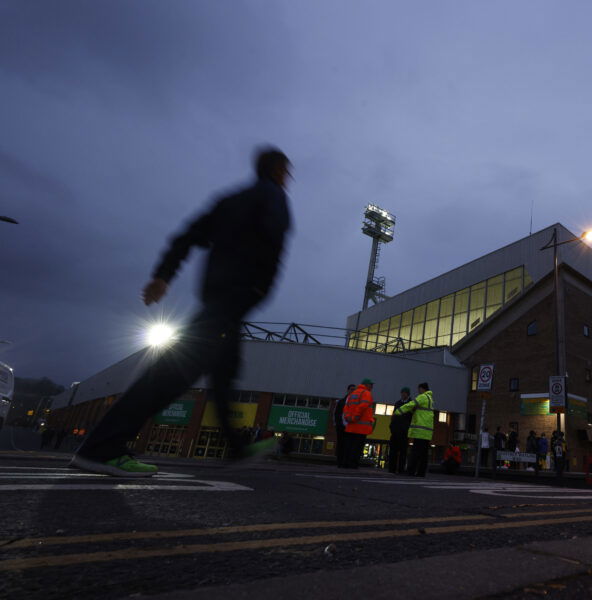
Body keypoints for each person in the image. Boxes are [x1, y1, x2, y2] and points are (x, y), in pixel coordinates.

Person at [70, 147, 293, 477]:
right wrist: (258, 288)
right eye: (286, 172)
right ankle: (101, 448)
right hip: (233, 300)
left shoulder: (229, 200)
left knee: (224, 372)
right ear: (277, 170)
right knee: (171, 375)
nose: (288, 178)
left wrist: (163, 275)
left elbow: (187, 236)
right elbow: (272, 242)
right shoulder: (272, 197)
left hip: (219, 298)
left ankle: (235, 447)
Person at [396, 382, 434, 477]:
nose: (418, 391)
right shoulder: (430, 399)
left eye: (419, 389)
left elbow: (411, 404)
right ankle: (421, 473)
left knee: (415, 452)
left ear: (422, 389)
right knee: (424, 454)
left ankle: (411, 471)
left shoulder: (423, 397)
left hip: (420, 430)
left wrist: (398, 411)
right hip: (427, 431)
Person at [342, 379, 376, 469]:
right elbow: (363, 406)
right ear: (366, 385)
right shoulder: (366, 393)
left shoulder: (352, 394)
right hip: (361, 428)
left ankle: (346, 463)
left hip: (351, 426)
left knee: (349, 446)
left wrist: (348, 417)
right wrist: (355, 417)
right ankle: (353, 465)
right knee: (357, 448)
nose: (372, 387)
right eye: (371, 385)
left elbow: (346, 407)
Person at [388, 387, 413, 473]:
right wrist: (392, 427)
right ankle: (392, 469)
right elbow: (393, 416)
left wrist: (407, 429)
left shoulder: (411, 404)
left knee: (403, 452)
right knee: (393, 452)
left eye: (405, 393)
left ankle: (401, 470)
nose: (403, 394)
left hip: (404, 432)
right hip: (395, 431)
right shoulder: (397, 403)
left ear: (408, 394)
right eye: (402, 392)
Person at [334, 384, 355, 468]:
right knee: (341, 445)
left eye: (354, 390)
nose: (353, 391)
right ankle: (340, 463)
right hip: (341, 427)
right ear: (348, 390)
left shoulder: (356, 403)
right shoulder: (341, 402)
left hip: (350, 428)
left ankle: (346, 463)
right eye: (351, 389)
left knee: (349, 446)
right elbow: (336, 414)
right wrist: (338, 425)